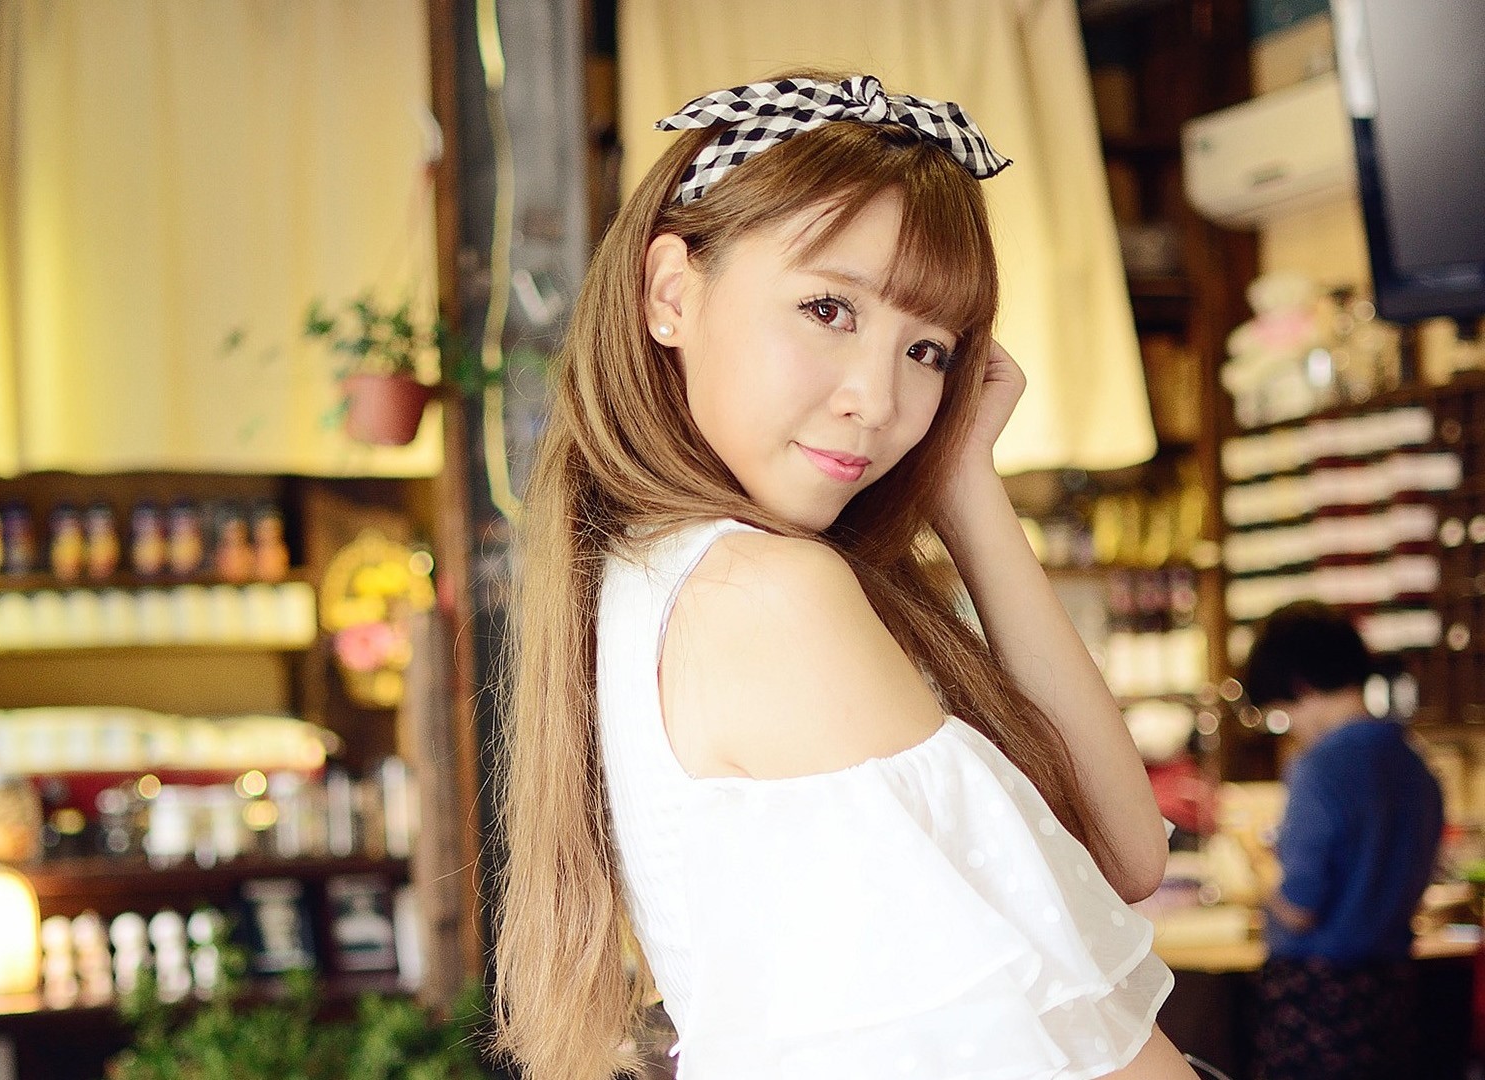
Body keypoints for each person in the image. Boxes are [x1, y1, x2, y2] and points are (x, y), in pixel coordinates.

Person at [492, 71, 1191, 1079]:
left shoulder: (665, 572)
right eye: (828, 308)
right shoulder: (764, 596)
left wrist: (963, 481)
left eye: (928, 350)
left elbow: (1124, 852)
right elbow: (1101, 1038)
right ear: (670, 294)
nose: (879, 399)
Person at [1240, 600, 1443, 1080]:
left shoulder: (1317, 768)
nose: (1289, 726)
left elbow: (1299, 907)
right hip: (1393, 993)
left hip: (1318, 998)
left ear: (1300, 687)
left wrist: (1251, 861)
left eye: (1283, 711)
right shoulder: (1416, 764)